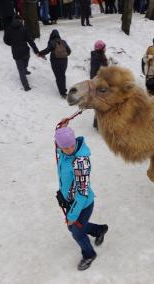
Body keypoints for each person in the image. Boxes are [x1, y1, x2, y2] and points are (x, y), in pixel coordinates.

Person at [55, 125, 109, 271]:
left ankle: (89, 254)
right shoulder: (62, 152)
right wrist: (61, 129)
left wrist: (72, 214)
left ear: (74, 142)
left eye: (71, 146)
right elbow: (58, 143)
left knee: (77, 232)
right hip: (71, 201)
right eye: (65, 147)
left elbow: (83, 192)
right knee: (72, 227)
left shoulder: (80, 163)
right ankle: (99, 230)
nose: (69, 150)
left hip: (83, 203)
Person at [3, 15, 40, 91]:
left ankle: (25, 76)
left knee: (21, 69)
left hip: (16, 52)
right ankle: (26, 85)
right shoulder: (24, 29)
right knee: (25, 63)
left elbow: (6, 41)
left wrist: (12, 43)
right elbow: (30, 41)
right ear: (20, 21)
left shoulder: (8, 29)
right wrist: (36, 51)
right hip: (25, 51)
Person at [39, 29, 71, 98]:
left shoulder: (51, 42)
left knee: (58, 76)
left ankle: (62, 92)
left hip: (55, 61)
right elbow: (69, 51)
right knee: (62, 75)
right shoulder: (63, 42)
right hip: (64, 61)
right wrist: (63, 55)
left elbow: (47, 50)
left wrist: (40, 53)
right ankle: (63, 90)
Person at [90, 40, 109, 129]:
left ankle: (96, 122)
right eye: (104, 47)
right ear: (101, 48)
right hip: (99, 84)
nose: (105, 48)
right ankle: (98, 124)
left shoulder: (99, 56)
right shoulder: (98, 58)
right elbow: (96, 72)